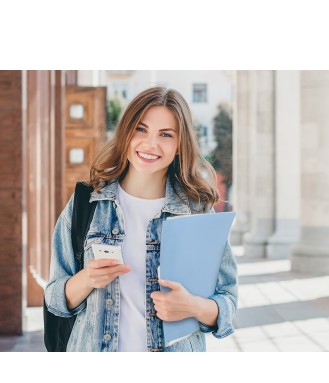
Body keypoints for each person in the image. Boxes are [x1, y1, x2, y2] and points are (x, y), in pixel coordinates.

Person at [45, 86, 238, 352]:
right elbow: (54, 297)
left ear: (180, 144)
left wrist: (194, 307)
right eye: (141, 129)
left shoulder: (196, 211)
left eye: (166, 134)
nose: (150, 144)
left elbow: (228, 300)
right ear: (126, 132)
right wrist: (87, 279)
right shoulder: (87, 203)